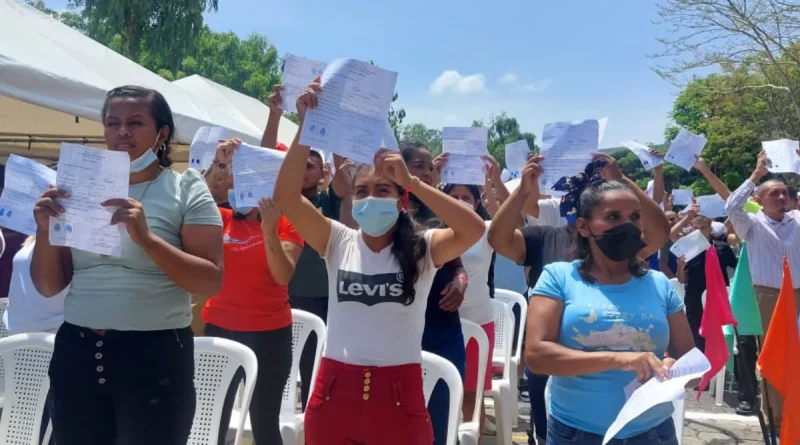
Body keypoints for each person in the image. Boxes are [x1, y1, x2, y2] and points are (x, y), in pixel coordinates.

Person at [273, 80, 485, 445]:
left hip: (400, 398)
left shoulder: (422, 246)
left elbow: (473, 228)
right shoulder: (336, 240)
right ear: (352, 200)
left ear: (401, 200)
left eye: (383, 190)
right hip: (334, 393)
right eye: (362, 191)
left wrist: (412, 181)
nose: (371, 198)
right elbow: (286, 197)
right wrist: (307, 128)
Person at [31, 85, 224, 445]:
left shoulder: (186, 188)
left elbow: (210, 281)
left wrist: (148, 240)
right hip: (78, 352)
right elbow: (47, 286)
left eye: (136, 123)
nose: (122, 132)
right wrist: (44, 232)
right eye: (112, 123)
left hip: (154, 359)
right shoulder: (77, 190)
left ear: (162, 133)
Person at [490, 154, 671, 445]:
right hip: (561, 382)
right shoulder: (545, 238)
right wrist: (523, 191)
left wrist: (624, 181)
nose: (622, 223)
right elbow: (499, 240)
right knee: (544, 429)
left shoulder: (625, 250)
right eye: (611, 214)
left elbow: (660, 233)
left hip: (641, 418)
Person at [202, 136, 304, 445]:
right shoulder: (221, 217)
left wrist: (268, 229)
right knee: (211, 417)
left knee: (264, 421)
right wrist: (218, 161)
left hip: (269, 332)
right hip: (219, 328)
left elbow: (282, 275)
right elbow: (191, 199)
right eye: (236, 172)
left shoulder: (287, 222)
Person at [724, 149, 800, 429]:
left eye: (784, 193)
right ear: (758, 200)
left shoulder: (799, 221)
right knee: (777, 357)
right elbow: (731, 206)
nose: (782, 198)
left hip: (798, 294)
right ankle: (778, 421)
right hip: (769, 296)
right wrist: (756, 175)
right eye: (774, 194)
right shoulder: (752, 224)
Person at [401, 144, 471, 445]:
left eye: (431, 168)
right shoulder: (385, 213)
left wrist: (460, 281)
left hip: (444, 331)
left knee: (440, 424)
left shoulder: (441, 211)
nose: (428, 173)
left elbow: (459, 265)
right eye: (420, 166)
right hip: (402, 335)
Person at [442, 179, 497, 432]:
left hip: (478, 323)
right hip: (440, 324)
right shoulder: (433, 231)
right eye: (454, 196)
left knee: (472, 399)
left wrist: (493, 180)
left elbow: (508, 222)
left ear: (477, 203)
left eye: (467, 197)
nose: (460, 201)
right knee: (438, 393)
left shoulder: (486, 230)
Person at [672, 211, 738, 352]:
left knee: (722, 337)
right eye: (695, 228)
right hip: (695, 299)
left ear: (710, 229)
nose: (699, 231)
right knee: (698, 338)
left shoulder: (722, 247)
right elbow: (681, 279)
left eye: (703, 228)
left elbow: (737, 269)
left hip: (718, 299)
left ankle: (725, 370)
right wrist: (680, 267)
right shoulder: (687, 248)